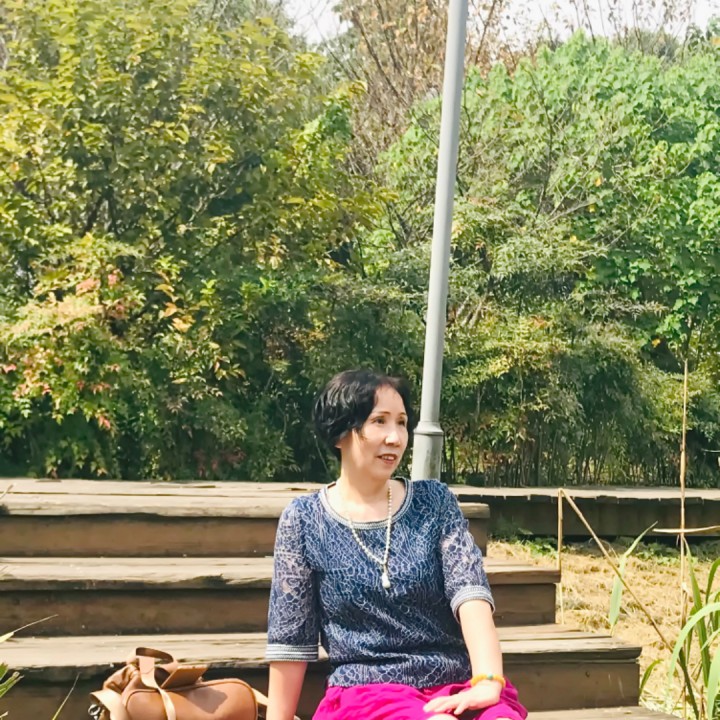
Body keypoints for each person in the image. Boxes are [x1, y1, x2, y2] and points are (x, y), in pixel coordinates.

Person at [265, 369, 527, 720]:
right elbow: (291, 638)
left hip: (455, 681)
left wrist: (488, 681)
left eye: (401, 423)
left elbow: (471, 594)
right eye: (379, 421)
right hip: (366, 693)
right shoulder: (304, 519)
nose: (395, 437)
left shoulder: (433, 502)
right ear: (340, 432)